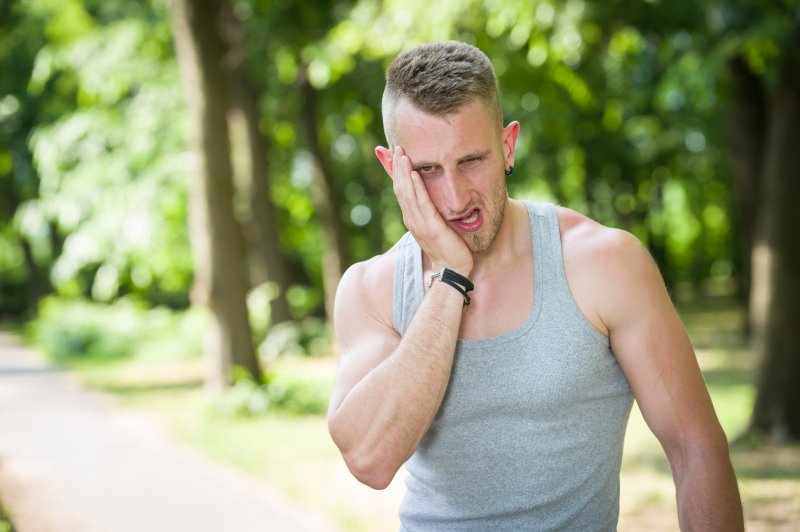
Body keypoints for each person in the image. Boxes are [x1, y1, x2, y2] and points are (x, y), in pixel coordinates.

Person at [327, 40, 743, 531]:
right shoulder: (370, 289)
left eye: (471, 161)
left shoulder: (602, 262)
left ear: (508, 146)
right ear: (392, 168)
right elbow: (369, 459)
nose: (455, 197)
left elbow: (697, 450)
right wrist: (450, 279)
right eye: (427, 170)